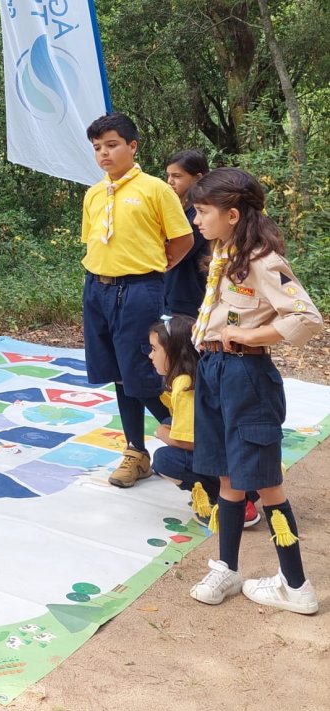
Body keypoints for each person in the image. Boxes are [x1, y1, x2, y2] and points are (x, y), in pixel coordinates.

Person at [187, 168, 323, 614]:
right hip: (214, 370)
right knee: (227, 476)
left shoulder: (263, 261)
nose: (196, 220)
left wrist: (249, 335)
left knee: (265, 483)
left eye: (202, 211)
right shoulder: (225, 252)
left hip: (246, 377)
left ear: (231, 214)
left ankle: (296, 585)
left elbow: (306, 318)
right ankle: (227, 568)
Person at [81, 113, 194, 488]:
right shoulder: (94, 194)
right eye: (98, 147)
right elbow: (95, 240)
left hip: (138, 289)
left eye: (112, 145)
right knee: (116, 371)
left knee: (139, 372)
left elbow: (183, 238)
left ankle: (188, 435)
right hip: (97, 288)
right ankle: (135, 452)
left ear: (132, 146)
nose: (104, 153)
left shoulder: (155, 189)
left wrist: (160, 267)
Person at [149, 314, 261, 527]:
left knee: (164, 459)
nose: (150, 356)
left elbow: (191, 442)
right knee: (170, 423)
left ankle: (231, 501)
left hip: (233, 463)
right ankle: (242, 490)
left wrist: (162, 433)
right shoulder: (204, 370)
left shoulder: (184, 384)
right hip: (249, 457)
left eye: (154, 349)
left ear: (173, 352)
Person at [164, 149, 210, 317]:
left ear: (197, 178)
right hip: (170, 294)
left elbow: (175, 251)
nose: (170, 181)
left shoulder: (201, 214)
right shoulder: (178, 209)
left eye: (177, 176)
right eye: (168, 176)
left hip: (190, 299)